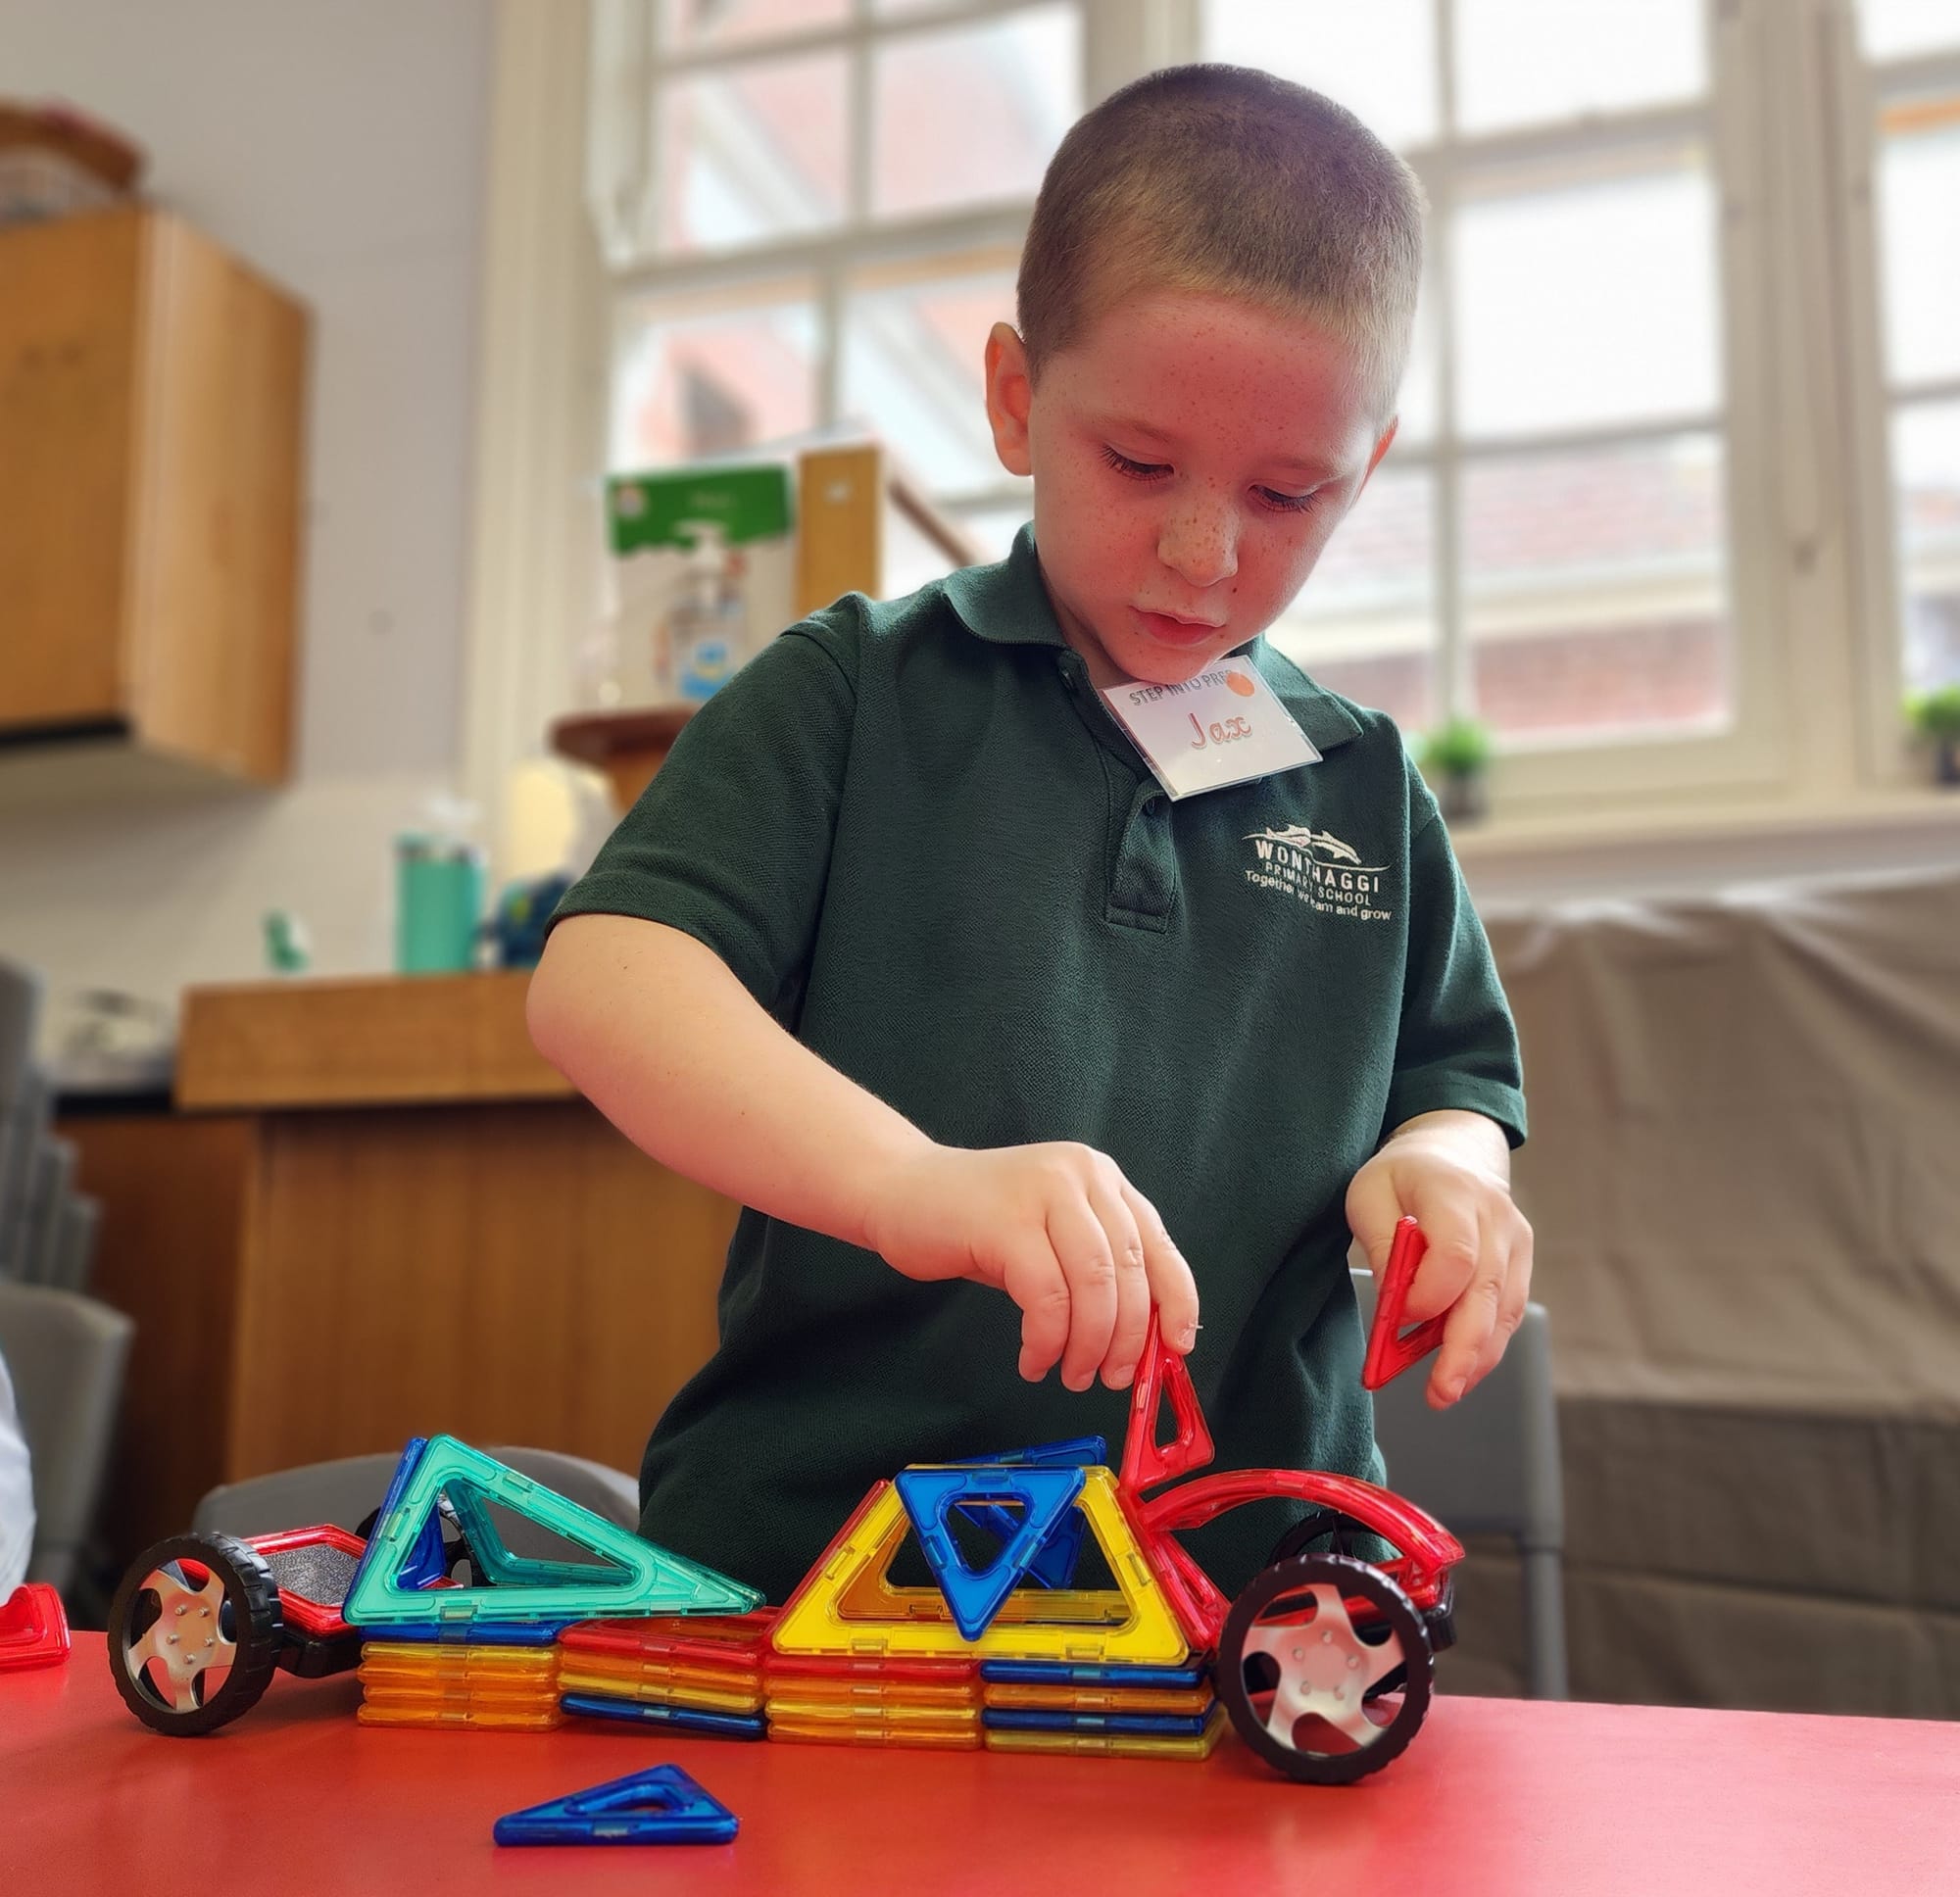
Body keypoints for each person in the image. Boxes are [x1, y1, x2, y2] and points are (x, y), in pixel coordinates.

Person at [529, 64, 1532, 1607]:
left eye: (1287, 494)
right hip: (822, 1574)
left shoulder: (1365, 786)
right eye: (1139, 465)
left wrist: (1447, 1170)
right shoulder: (853, 695)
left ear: (1371, 464)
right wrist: (913, 1185)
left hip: (1248, 1599)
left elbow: (1454, 1088)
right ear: (1014, 399)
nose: (1204, 555)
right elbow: (602, 983)